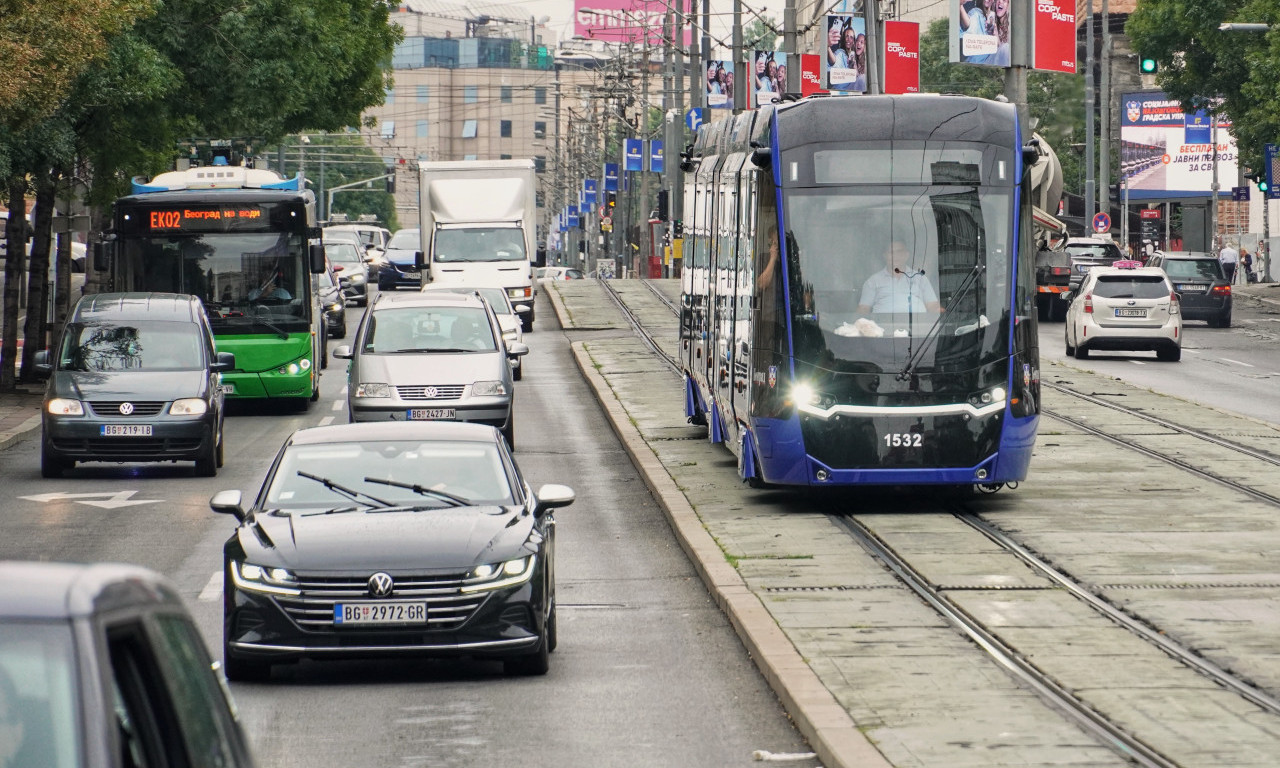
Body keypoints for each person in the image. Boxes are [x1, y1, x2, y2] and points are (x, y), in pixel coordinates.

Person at [857, 241, 941, 315]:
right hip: (882, 328)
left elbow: (933, 306)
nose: (895, 256)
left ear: (906, 255)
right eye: (891, 252)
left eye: (899, 252)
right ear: (885, 256)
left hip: (919, 328)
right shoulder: (873, 281)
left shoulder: (920, 278)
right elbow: (863, 309)